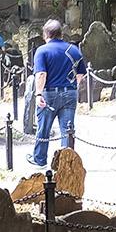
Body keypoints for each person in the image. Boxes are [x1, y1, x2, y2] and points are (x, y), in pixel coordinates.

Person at [29, 19, 88, 167]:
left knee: (44, 128)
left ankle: (39, 159)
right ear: (61, 34)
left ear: (46, 34)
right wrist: (72, 87)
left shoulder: (42, 51)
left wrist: (38, 94)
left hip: (49, 94)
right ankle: (66, 163)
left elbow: (41, 74)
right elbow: (80, 75)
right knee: (67, 130)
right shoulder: (74, 50)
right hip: (70, 93)